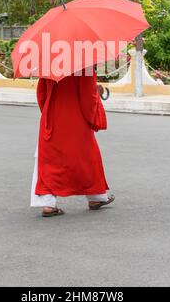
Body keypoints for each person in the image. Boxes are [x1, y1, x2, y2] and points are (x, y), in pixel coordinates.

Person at [30, 68, 114, 217]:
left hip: (52, 117)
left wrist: (49, 112)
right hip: (76, 119)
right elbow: (88, 98)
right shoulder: (85, 65)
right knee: (88, 157)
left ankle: (48, 204)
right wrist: (97, 97)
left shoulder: (49, 64)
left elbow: (41, 93)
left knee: (48, 160)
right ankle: (96, 197)